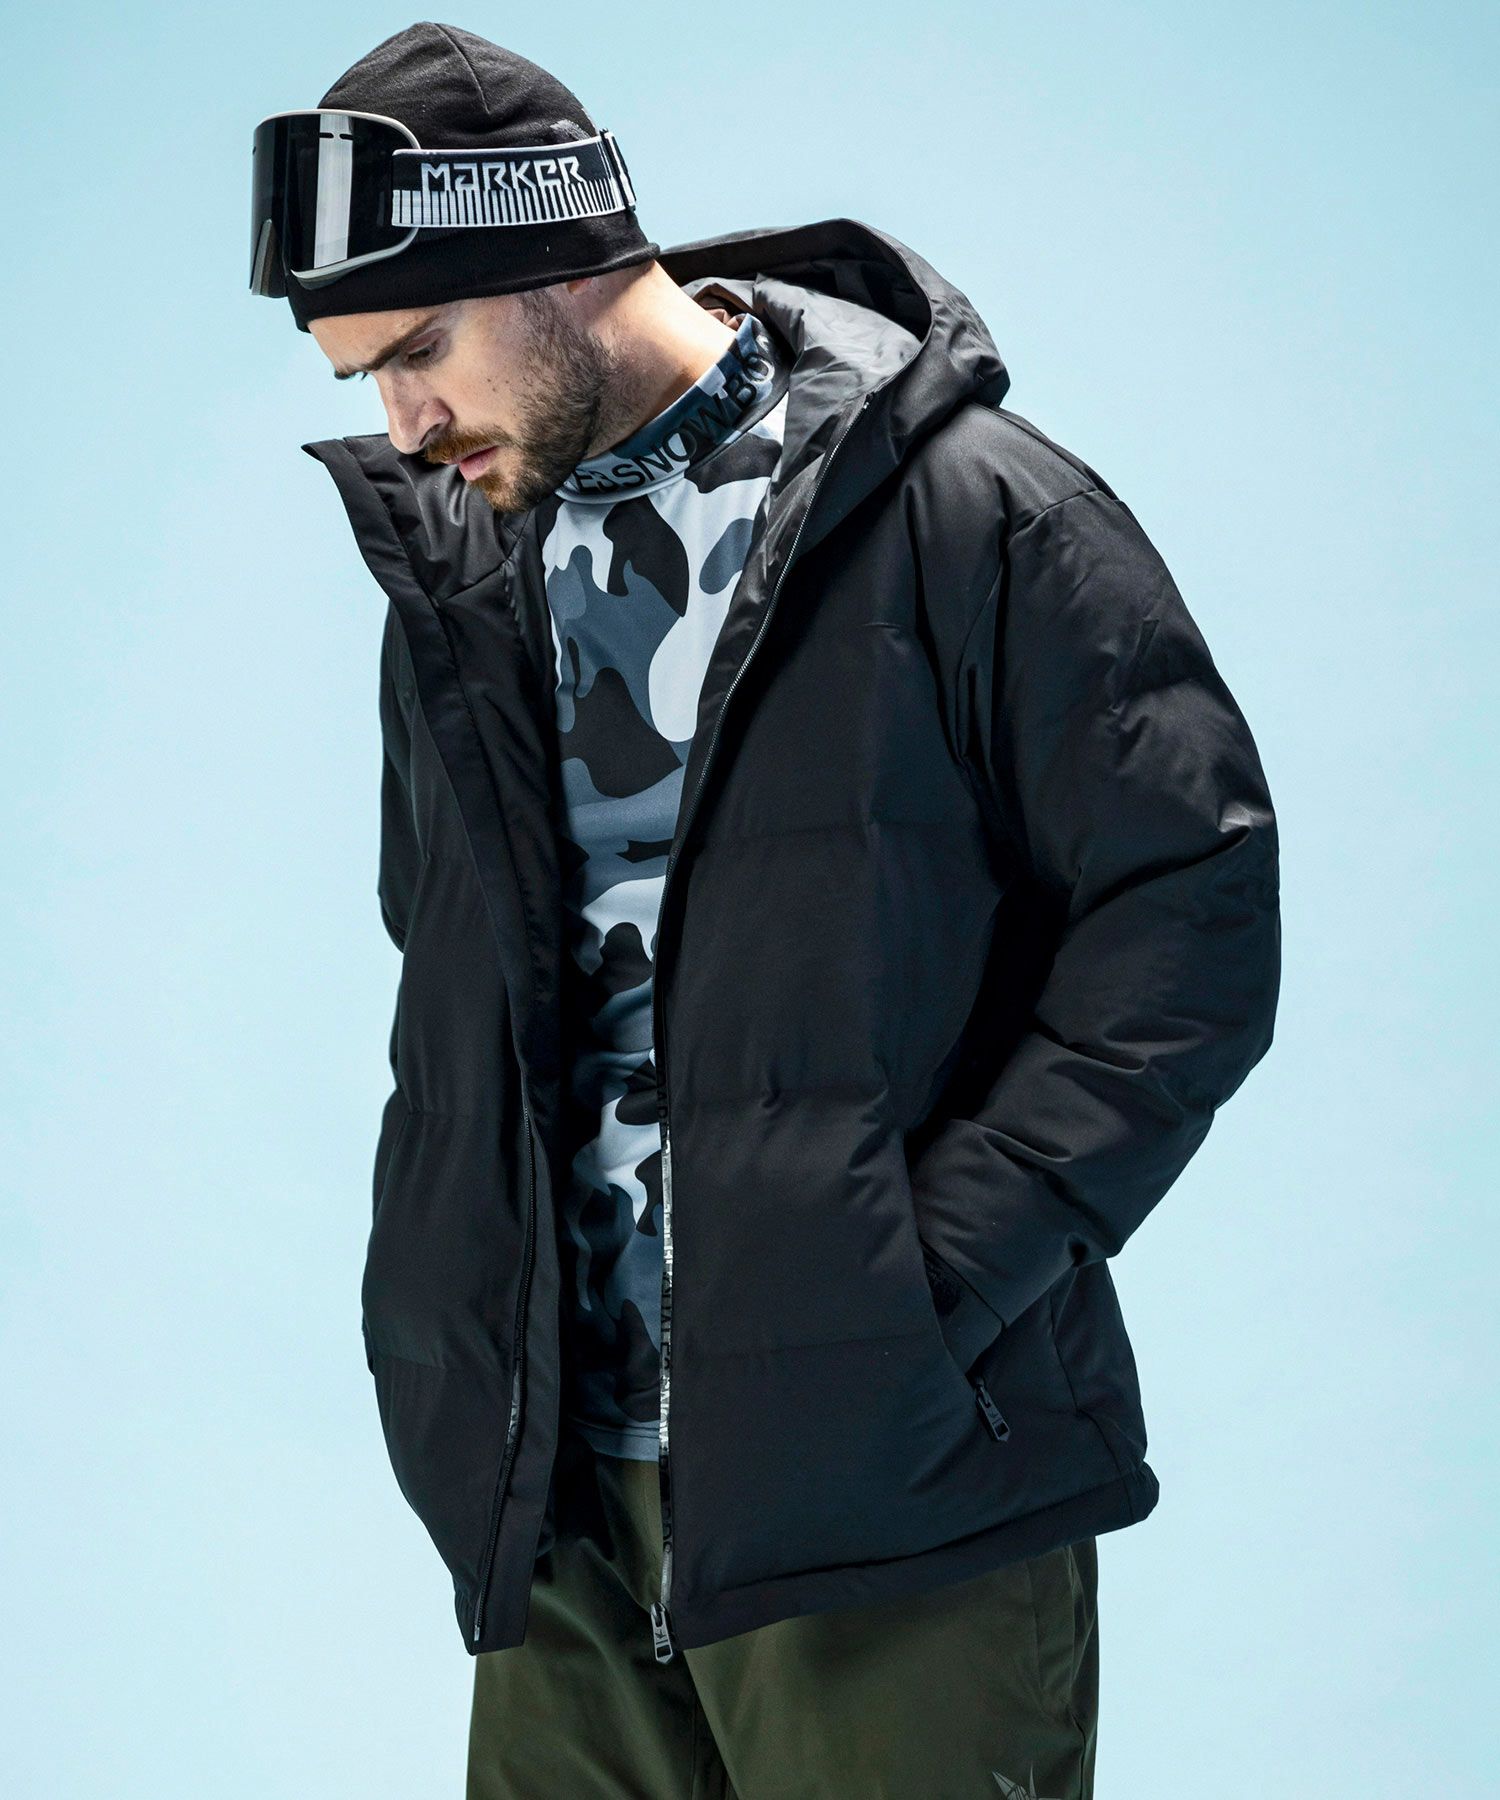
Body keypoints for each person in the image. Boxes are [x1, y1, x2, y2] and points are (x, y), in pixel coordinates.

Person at [248, 22, 1281, 1799]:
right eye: (365, 376)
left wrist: (922, 1284)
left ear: (565, 261)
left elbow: (1191, 913)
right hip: (561, 1497)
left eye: (419, 351)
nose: (404, 424)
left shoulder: (976, 513)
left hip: (892, 1480)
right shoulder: (467, 564)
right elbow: (453, 956)